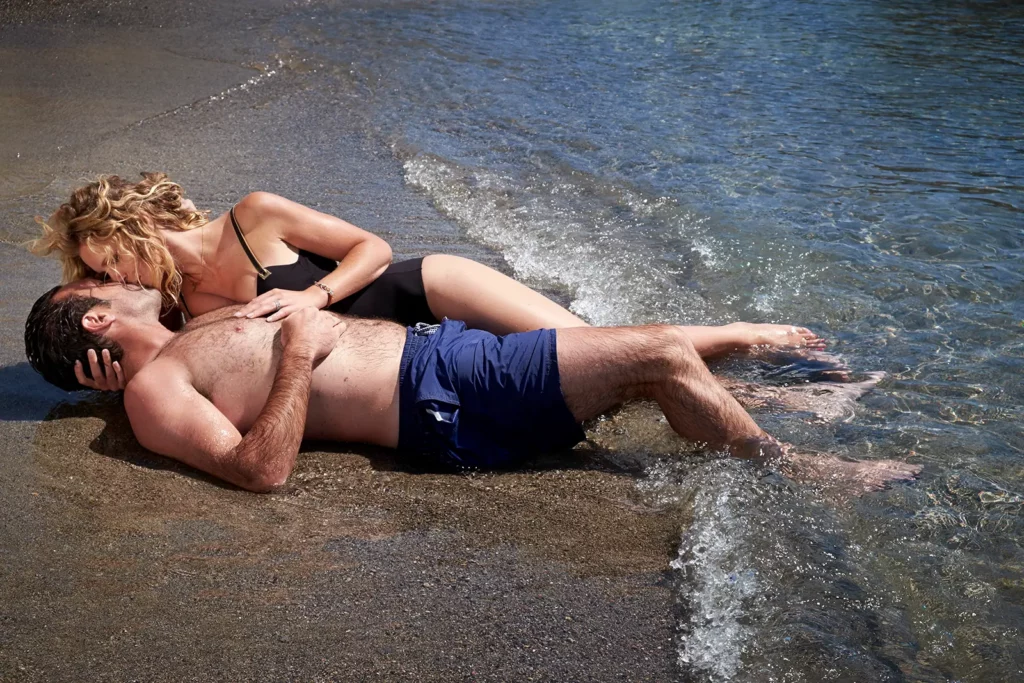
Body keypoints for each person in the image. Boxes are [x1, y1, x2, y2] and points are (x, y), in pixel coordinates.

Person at [24, 278, 921, 495]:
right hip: (444, 401)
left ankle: (795, 400)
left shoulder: (181, 336)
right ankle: (800, 469)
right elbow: (259, 471)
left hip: (447, 365)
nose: (111, 273)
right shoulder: (153, 395)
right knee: (654, 353)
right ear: (98, 319)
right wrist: (298, 350)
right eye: (96, 283)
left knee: (642, 362)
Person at [30, 172, 827, 391]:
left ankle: (746, 337)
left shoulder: (254, 215)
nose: (113, 278)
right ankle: (751, 380)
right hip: (408, 361)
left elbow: (372, 249)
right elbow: (176, 364)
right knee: (598, 368)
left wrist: (311, 296)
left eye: (109, 261)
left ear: (129, 227)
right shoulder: (169, 304)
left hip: (429, 291)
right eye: (100, 278)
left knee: (582, 345)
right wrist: (113, 375)